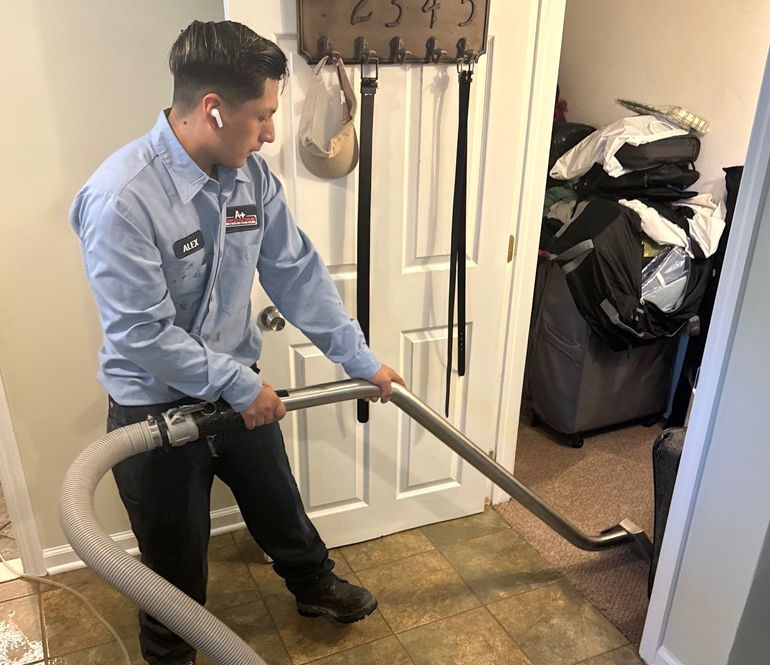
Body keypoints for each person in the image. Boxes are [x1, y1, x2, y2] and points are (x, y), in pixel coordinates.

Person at [70, 19, 404, 665]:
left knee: (279, 502)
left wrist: (358, 359)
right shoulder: (122, 197)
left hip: (239, 384)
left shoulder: (250, 178)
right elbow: (140, 331)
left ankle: (313, 585)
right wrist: (241, 384)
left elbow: (296, 274)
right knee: (172, 556)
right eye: (263, 115)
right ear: (213, 109)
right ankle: (172, 655)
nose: (273, 132)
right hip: (153, 407)